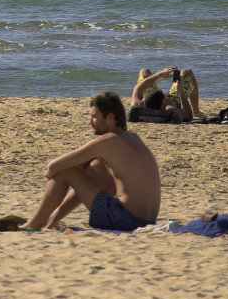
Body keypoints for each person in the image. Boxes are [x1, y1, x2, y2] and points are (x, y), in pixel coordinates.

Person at [22, 91, 161, 231]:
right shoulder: (133, 138)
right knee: (96, 168)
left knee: (67, 171)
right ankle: (50, 222)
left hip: (122, 219)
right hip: (147, 221)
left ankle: (33, 224)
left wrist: (56, 175)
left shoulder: (109, 141)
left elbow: (53, 167)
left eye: (94, 117)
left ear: (110, 117)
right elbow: (102, 182)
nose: (90, 122)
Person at [131, 66, 200, 121]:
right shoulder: (170, 110)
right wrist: (181, 91)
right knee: (187, 72)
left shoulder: (137, 106)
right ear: (163, 103)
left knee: (144, 71)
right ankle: (196, 112)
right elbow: (188, 116)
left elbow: (138, 88)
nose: (166, 97)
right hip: (176, 101)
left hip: (152, 101)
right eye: (165, 98)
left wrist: (160, 74)